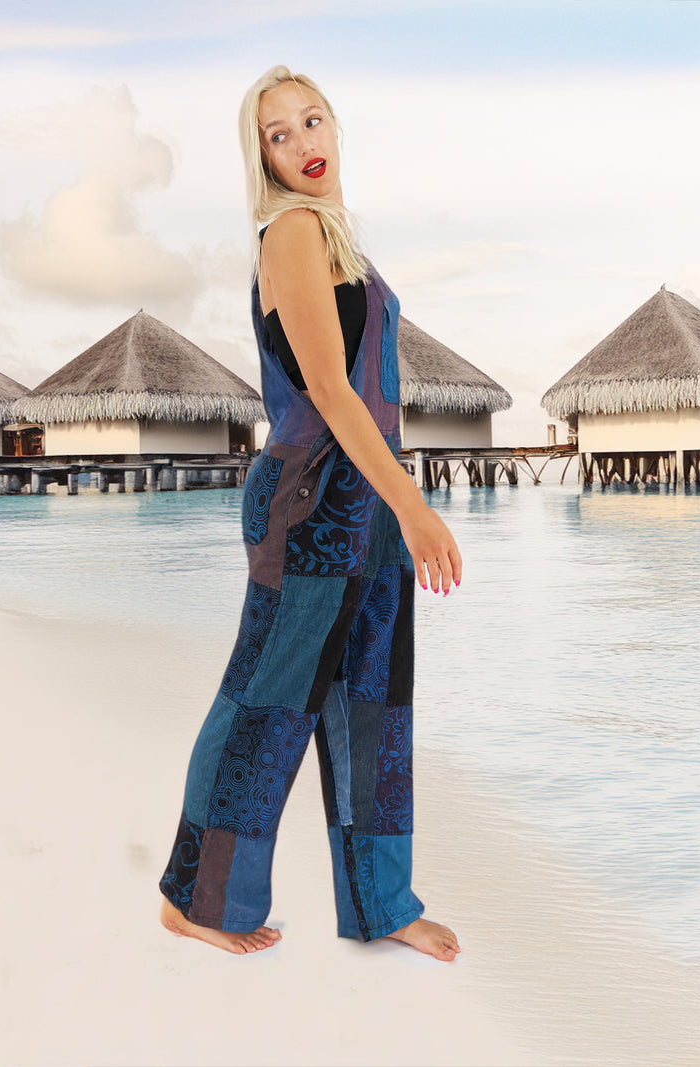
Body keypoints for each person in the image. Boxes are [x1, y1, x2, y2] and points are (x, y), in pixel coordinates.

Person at [159, 65, 462, 960]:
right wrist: (415, 506)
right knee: (267, 702)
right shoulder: (289, 231)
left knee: (375, 704)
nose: (303, 143)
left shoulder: (343, 243)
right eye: (278, 134)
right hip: (311, 506)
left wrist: (393, 503)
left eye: (312, 119)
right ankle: (195, 896)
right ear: (261, 158)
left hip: (365, 503)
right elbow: (330, 390)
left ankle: (381, 902)